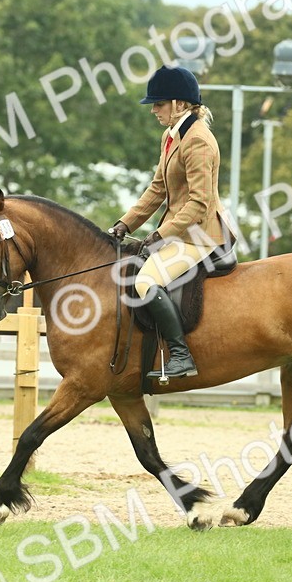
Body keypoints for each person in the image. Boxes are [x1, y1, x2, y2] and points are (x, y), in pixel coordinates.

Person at [108, 64, 232, 380]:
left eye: (159, 104)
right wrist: (125, 224)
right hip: (181, 231)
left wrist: (159, 235)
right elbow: (158, 189)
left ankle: (181, 356)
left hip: (200, 235)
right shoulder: (172, 135)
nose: (154, 111)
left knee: (145, 281)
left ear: (179, 104)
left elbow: (199, 204)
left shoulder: (198, 140)